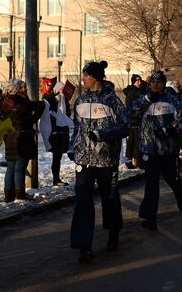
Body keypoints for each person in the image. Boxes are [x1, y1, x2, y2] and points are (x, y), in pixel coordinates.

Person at [68, 60, 129, 263]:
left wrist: (102, 134)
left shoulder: (113, 101)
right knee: (83, 201)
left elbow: (125, 127)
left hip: (106, 159)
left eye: (85, 75)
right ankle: (83, 246)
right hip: (84, 159)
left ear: (95, 77)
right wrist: (72, 146)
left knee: (109, 198)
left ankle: (113, 232)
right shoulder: (80, 100)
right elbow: (77, 127)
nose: (82, 78)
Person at [129, 71, 182, 230]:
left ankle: (180, 193)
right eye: (153, 81)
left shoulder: (172, 100)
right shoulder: (143, 99)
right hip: (149, 149)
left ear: (163, 83)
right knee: (151, 182)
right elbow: (131, 113)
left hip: (167, 149)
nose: (155, 84)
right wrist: (147, 100)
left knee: (170, 177)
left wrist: (169, 130)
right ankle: (150, 217)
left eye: (159, 82)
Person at [0, 79, 46, 202]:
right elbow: (30, 119)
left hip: (9, 137)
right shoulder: (21, 103)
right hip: (22, 138)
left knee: (11, 166)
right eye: (23, 87)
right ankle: (20, 194)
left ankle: (8, 195)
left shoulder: (5, 103)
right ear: (18, 89)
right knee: (20, 166)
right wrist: (40, 110)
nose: (25, 89)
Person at [41, 79, 72, 187]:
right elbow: (46, 104)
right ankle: (56, 179)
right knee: (56, 156)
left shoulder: (64, 99)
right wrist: (54, 99)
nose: (63, 92)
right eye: (61, 90)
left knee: (60, 155)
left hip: (63, 130)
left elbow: (67, 113)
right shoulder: (50, 98)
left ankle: (57, 178)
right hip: (54, 131)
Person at [123, 74, 146, 169]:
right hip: (134, 120)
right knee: (135, 142)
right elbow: (130, 107)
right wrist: (135, 117)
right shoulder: (133, 92)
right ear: (133, 81)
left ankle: (130, 161)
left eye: (140, 80)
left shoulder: (138, 91)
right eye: (137, 80)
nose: (139, 82)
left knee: (132, 142)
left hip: (136, 120)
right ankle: (136, 162)